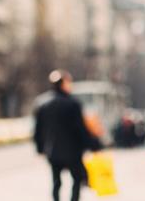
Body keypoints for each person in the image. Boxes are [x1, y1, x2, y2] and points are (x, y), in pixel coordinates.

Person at [33, 70, 100, 201]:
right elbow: (80, 129)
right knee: (76, 180)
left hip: (52, 151)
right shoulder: (73, 104)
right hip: (72, 151)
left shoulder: (43, 104)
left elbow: (38, 129)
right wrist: (93, 145)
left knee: (56, 182)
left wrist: (40, 148)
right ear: (63, 83)